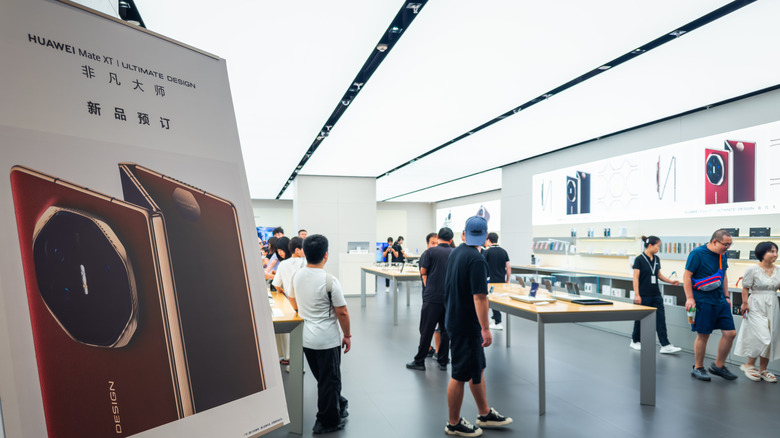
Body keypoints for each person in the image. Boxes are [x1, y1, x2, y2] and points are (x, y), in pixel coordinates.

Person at [444, 216, 512, 436]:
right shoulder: (477, 260)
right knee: (460, 374)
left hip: (455, 318)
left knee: (477, 368)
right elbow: (480, 298)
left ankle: (484, 413)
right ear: (485, 235)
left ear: (464, 234)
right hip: (466, 324)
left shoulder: (456, 253)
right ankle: (453, 423)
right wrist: (485, 328)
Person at [288, 234, 351, 434]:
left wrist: (304, 311)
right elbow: (342, 312)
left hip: (306, 338)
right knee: (330, 379)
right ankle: (327, 421)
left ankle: (338, 403)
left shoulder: (296, 275)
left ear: (305, 253)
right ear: (326, 255)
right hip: (327, 340)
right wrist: (347, 335)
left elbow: (292, 299)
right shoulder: (329, 280)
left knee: (323, 378)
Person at [684, 229, 737, 381]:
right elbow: (687, 277)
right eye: (725, 244)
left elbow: (723, 275)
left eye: (730, 244)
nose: (727, 248)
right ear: (715, 241)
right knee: (703, 334)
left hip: (720, 300)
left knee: (730, 333)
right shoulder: (697, 254)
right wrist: (690, 298)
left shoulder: (723, 255)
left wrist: (726, 296)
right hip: (702, 300)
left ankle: (718, 366)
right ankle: (698, 367)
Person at [407, 227, 453, 372]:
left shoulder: (430, 252)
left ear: (438, 237)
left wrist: (429, 287)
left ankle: (419, 361)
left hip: (432, 297)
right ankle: (443, 361)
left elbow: (423, 272)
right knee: (446, 331)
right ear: (451, 240)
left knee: (426, 329)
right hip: (449, 298)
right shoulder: (455, 253)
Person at [734, 241, 780, 382]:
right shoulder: (752, 269)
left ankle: (763, 369)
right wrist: (745, 303)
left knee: (771, 337)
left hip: (773, 303)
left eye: (776, 251)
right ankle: (749, 364)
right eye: (771, 251)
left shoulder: (778, 270)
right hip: (756, 304)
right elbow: (745, 287)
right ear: (762, 253)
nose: (775, 254)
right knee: (763, 335)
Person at [629, 236, 682, 354]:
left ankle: (665, 344)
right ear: (650, 246)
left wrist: (670, 281)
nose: (659, 248)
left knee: (660, 319)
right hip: (643, 295)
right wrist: (637, 295)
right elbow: (635, 279)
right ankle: (635, 340)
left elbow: (658, 275)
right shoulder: (639, 260)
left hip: (656, 294)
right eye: (658, 246)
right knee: (640, 319)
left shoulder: (657, 259)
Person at [272, 237, 306, 369]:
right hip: (303, 304)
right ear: (297, 250)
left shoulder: (283, 264)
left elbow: (276, 284)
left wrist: (282, 292)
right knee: (301, 335)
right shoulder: (305, 263)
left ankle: (290, 360)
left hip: (290, 303)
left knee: (290, 333)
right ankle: (299, 365)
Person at [483, 232, 510, 331]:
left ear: (488, 240)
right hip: (501, 281)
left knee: (488, 301)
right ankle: (495, 318)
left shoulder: (487, 252)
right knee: (497, 300)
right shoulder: (503, 251)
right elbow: (508, 267)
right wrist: (507, 279)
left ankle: (497, 321)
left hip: (490, 281)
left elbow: (483, 266)